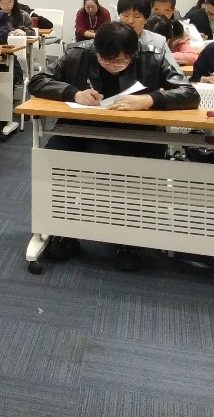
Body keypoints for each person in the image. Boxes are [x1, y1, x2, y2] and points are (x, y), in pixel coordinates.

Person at [28, 21, 198, 270]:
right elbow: (37, 81)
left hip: (136, 135)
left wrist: (149, 99)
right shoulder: (79, 52)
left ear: (133, 53)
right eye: (104, 60)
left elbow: (189, 93)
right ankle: (64, 231)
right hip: (81, 130)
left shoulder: (152, 55)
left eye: (119, 61)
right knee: (53, 156)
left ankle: (128, 240)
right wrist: (73, 93)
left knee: (131, 167)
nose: (110, 66)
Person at [115, 0, 185, 81]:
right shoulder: (108, 37)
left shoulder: (158, 41)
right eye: (125, 15)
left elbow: (177, 77)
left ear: (146, 19)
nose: (130, 21)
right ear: (119, 16)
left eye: (137, 16)